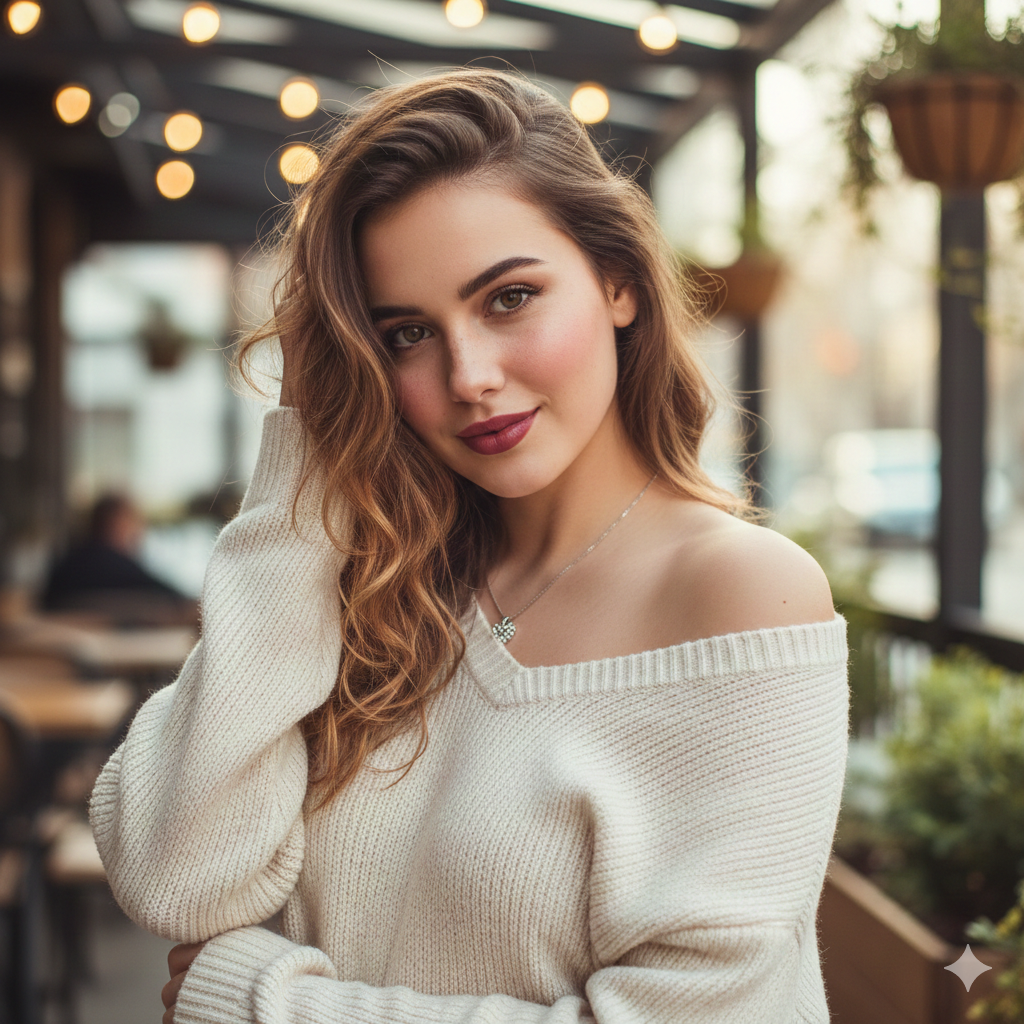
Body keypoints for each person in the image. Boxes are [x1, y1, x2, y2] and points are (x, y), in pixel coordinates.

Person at [89, 69, 849, 1024]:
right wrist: (304, 460)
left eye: (509, 298)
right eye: (405, 333)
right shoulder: (378, 583)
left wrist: (268, 1004)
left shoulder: (742, 592)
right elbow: (174, 877)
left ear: (618, 283)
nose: (469, 376)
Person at [41, 492, 197, 626]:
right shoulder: (120, 568)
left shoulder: (64, 566)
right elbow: (177, 599)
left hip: (54, 657)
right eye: (134, 521)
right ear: (117, 522)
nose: (139, 531)